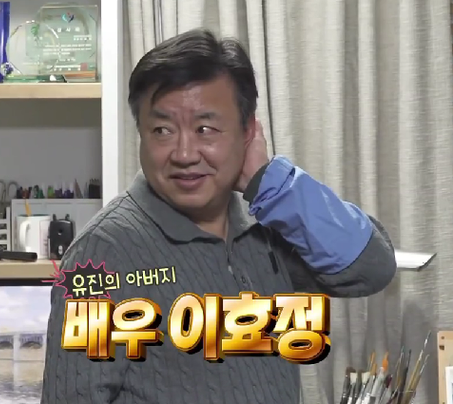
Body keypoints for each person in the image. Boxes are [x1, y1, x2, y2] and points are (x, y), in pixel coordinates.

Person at [41, 29, 397, 404]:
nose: (184, 154)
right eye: (162, 130)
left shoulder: (265, 226)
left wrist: (269, 184)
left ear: (247, 132)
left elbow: (371, 267)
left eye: (205, 129)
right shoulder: (103, 253)